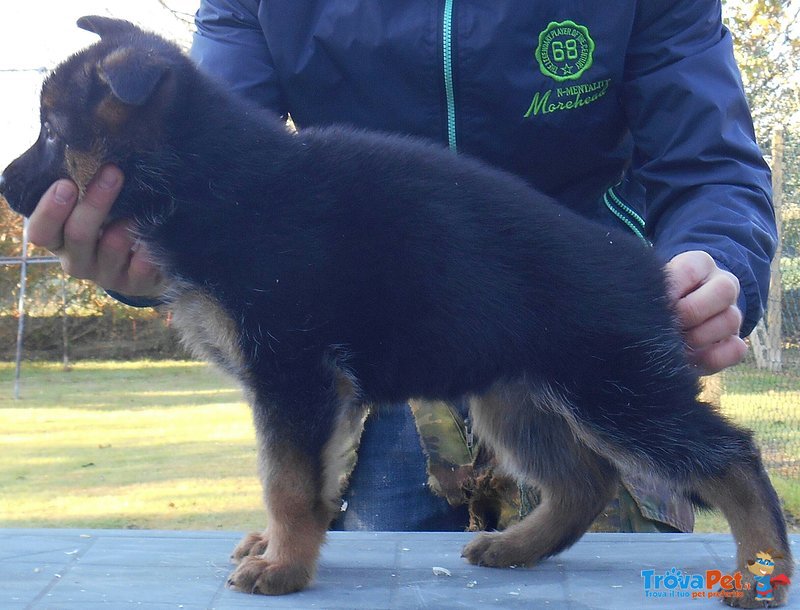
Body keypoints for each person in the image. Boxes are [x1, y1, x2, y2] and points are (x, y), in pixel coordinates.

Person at [28, 0, 776, 532]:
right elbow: (200, 156)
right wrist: (144, 252)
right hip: (377, 357)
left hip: (575, 306)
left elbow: (711, 165)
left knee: (649, 483)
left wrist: (719, 257)